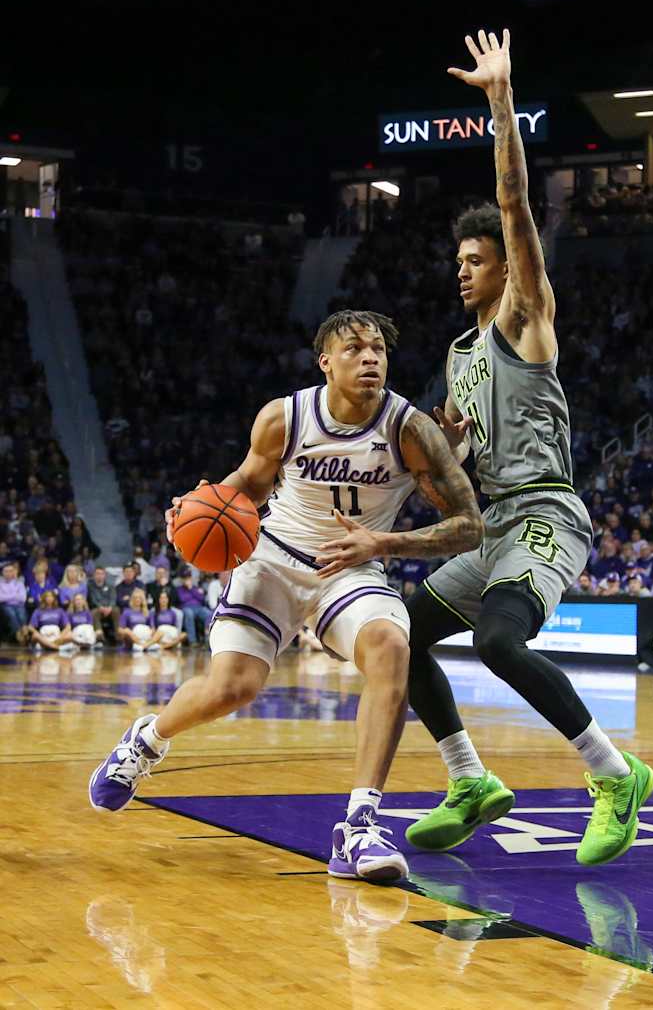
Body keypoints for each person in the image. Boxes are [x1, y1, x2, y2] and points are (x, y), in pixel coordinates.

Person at [88, 309, 483, 885]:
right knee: (234, 687)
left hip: (350, 568)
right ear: (326, 362)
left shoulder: (410, 429)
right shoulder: (285, 417)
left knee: (391, 649)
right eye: (355, 349)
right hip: (273, 559)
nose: (370, 358)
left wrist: (384, 541)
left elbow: (469, 524)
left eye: (378, 349)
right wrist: (199, 506)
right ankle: (146, 741)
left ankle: (359, 825)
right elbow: (247, 483)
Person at [404, 29, 653, 868]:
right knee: (396, 634)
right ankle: (469, 779)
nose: (466, 270)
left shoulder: (525, 315)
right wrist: (446, 462)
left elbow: (514, 205)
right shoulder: (457, 355)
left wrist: (499, 100)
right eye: (460, 260)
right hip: (492, 524)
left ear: (509, 269)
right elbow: (452, 485)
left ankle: (615, 775)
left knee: (498, 644)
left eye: (479, 260)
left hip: (548, 511)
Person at [176, 570, 212, 645]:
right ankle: (192, 641)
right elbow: (182, 599)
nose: (186, 580)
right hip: (186, 608)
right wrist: (191, 591)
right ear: (181, 579)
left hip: (198, 607)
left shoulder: (195, 588)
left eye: (188, 577)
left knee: (209, 614)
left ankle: (208, 640)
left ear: (191, 578)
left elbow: (201, 598)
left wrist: (191, 589)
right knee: (189, 613)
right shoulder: (179, 589)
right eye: (184, 578)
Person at [117, 588, 156, 652]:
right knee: (127, 630)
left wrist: (151, 632)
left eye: (140, 598)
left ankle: (145, 644)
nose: (137, 600)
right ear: (132, 599)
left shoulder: (148, 612)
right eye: (135, 598)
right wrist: (129, 633)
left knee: (158, 631)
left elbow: (153, 628)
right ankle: (142, 644)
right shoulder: (126, 612)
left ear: (142, 600)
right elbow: (120, 629)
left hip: (145, 636)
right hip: (132, 638)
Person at [87, 566, 120, 642]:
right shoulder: (90, 586)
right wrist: (100, 607)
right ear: (94, 575)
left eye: (102, 574)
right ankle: (99, 635)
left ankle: (118, 635)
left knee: (116, 610)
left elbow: (113, 598)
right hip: (97, 608)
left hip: (110, 608)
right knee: (94, 613)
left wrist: (110, 607)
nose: (100, 576)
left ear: (105, 575)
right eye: (97, 573)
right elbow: (92, 599)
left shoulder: (110, 586)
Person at [0, 562, 28, 643]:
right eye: (6, 571)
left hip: (19, 605)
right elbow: (1, 598)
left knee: (22, 615)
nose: (9, 573)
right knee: (12, 615)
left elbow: (23, 598)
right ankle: (18, 636)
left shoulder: (19, 583)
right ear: (2, 572)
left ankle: (23, 635)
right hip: (5, 606)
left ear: (14, 572)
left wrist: (8, 596)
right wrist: (15, 595)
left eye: (11, 571)